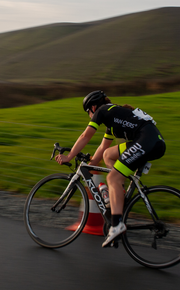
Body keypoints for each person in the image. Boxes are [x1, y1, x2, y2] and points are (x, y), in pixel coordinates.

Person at [55, 90, 166, 247]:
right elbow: (102, 148)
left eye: (88, 112)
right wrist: (90, 165)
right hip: (150, 141)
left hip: (148, 142)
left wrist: (69, 156)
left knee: (112, 177)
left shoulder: (102, 111)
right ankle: (118, 194)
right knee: (109, 154)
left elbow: (85, 136)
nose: (89, 115)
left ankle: (117, 225)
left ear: (93, 107)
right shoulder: (113, 117)